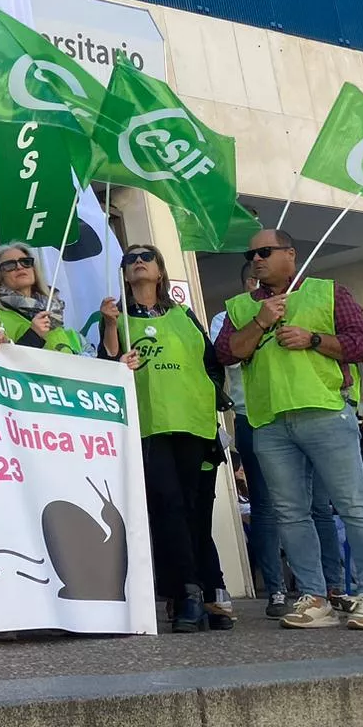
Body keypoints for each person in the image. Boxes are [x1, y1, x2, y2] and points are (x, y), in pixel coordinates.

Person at [217, 229, 363, 630]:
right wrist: (261, 322)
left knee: (353, 505)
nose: (256, 259)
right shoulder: (241, 306)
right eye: (251, 254)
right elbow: (227, 353)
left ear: (290, 254)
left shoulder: (328, 291)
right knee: (290, 513)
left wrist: (313, 339)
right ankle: (313, 596)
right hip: (269, 422)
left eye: (264, 251)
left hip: (326, 413)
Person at [100, 244, 227, 632]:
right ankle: (184, 593)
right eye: (130, 259)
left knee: (195, 507)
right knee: (167, 507)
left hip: (195, 425)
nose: (138, 261)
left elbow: (211, 365)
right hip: (147, 427)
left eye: (146, 257)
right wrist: (109, 328)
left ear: (160, 270)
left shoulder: (184, 315)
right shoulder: (114, 318)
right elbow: (104, 367)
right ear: (123, 273)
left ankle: (209, 592)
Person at [0, 243, 82, 354]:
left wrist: (107, 325)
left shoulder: (54, 314)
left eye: (26, 262)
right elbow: (2, 363)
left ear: (34, 269)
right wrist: (34, 335)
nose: (19, 267)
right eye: (10, 265)